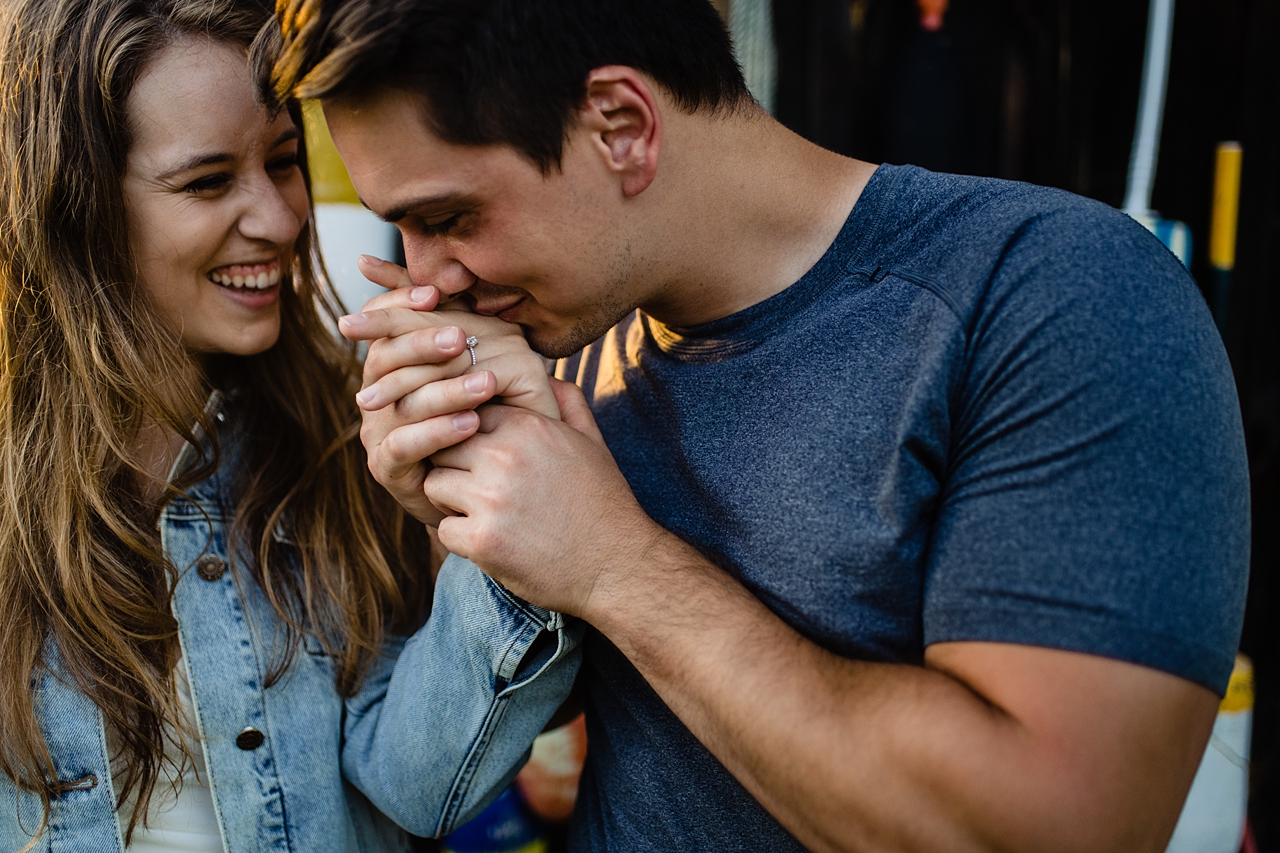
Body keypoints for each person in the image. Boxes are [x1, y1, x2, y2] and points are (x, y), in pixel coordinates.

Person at [268, 0, 1252, 850]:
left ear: (619, 124)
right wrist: (463, 525)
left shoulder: (1053, 296)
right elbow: (423, 780)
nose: (428, 274)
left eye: (447, 215)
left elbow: (1052, 828)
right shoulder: (560, 341)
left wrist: (617, 566)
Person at [0, 0, 578, 849]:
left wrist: (497, 498)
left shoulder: (355, 436)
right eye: (206, 182)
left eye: (283, 161)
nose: (278, 219)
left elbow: (421, 787)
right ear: (76, 205)